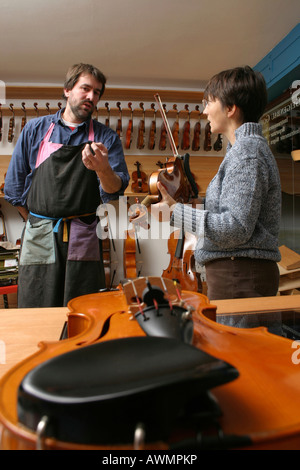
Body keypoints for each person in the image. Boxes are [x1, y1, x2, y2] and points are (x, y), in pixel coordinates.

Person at [4, 63, 129, 308]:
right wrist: (37, 221)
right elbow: (14, 188)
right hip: (39, 233)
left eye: (97, 93)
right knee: (36, 304)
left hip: (83, 233)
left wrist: (103, 169)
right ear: (67, 90)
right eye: (86, 88)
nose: (92, 96)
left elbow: (114, 191)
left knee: (82, 307)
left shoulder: (106, 138)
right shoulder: (35, 130)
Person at [154, 65, 281, 304]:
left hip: (239, 274)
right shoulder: (242, 151)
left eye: (209, 103)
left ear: (231, 108)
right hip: (237, 273)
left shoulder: (247, 152)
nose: (204, 112)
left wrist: (175, 211)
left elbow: (235, 228)